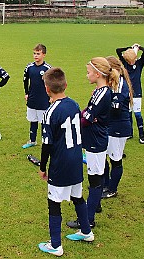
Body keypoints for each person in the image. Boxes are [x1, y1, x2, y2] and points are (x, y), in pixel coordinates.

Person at [38, 67, 94, 257]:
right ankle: (86, 232)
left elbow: (47, 144)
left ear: (47, 89)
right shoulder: (74, 104)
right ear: (65, 85)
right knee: (77, 196)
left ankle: (55, 245)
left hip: (60, 164)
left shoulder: (49, 112)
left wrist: (42, 167)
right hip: (77, 160)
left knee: (54, 202)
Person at [67, 57, 119, 229]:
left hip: (96, 141)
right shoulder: (99, 91)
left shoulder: (103, 93)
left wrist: (75, 122)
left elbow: (87, 117)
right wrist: (85, 114)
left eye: (88, 72)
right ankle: (95, 206)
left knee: (95, 179)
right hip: (95, 138)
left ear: (97, 74)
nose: (87, 75)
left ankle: (88, 220)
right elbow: (88, 112)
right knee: (99, 173)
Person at [102, 56, 133, 199]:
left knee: (115, 159)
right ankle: (105, 184)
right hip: (110, 125)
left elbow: (116, 107)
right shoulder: (112, 82)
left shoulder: (120, 83)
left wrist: (100, 107)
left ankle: (112, 189)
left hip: (119, 127)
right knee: (104, 156)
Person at [116, 44, 144, 144]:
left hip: (137, 93)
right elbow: (118, 50)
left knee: (137, 114)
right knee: (128, 113)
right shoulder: (124, 64)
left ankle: (142, 135)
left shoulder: (139, 63)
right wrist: (128, 47)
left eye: (132, 60)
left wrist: (138, 47)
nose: (131, 62)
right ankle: (130, 132)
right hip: (127, 93)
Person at [22, 44, 51, 149]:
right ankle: (32, 140)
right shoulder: (29, 67)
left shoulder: (48, 68)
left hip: (43, 100)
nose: (35, 56)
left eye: (38, 54)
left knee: (44, 122)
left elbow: (51, 83)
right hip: (32, 99)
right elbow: (25, 81)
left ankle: (45, 142)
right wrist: (26, 93)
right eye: (34, 53)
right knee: (32, 120)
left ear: (44, 55)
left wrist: (51, 96)